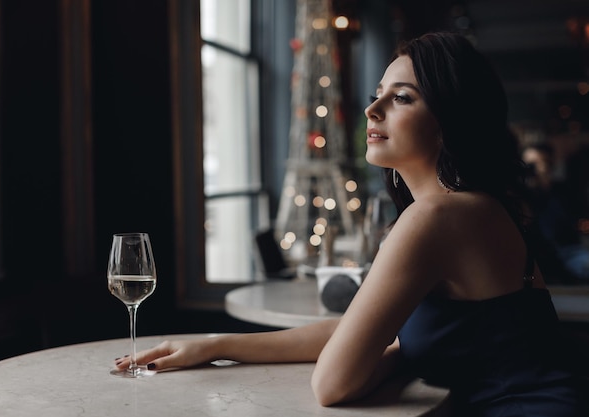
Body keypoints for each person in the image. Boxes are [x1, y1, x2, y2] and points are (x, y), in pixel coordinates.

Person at [115, 32, 588, 416]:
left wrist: (389, 356)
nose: (372, 111)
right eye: (376, 94)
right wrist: (214, 345)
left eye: (401, 98)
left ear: (450, 119)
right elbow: (356, 329)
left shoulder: (437, 216)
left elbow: (333, 383)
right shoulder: (471, 207)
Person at [522, 143, 589, 284]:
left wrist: (545, 186)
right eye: (528, 165)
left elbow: (573, 221)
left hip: (567, 251)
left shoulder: (564, 191)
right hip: (537, 255)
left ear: (550, 164)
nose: (532, 169)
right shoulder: (521, 196)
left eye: (538, 163)